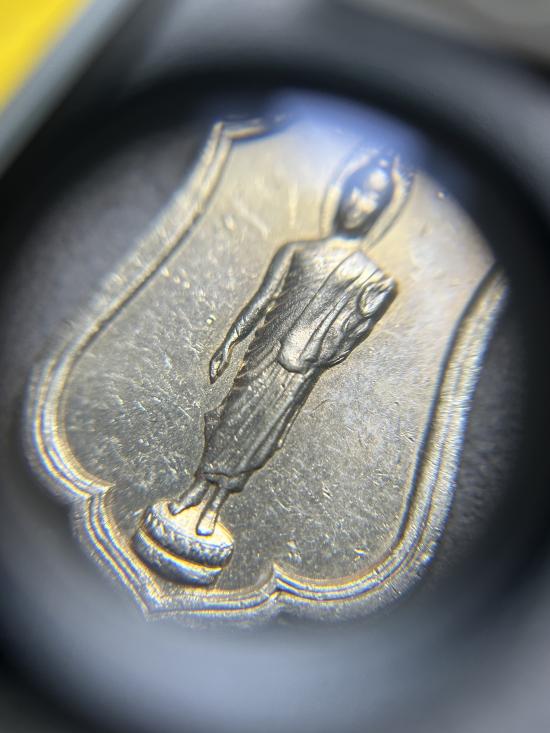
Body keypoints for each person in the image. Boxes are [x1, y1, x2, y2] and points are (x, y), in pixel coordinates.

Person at [168, 151, 400, 537]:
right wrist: (229, 343)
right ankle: (196, 488)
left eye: (372, 197)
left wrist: (364, 312)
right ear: (344, 192)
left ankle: (216, 503)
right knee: (228, 417)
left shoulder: (372, 278)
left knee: (262, 432)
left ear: (380, 209)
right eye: (357, 191)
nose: (359, 203)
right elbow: (262, 301)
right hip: (263, 352)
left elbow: (349, 334)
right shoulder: (298, 250)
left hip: (299, 368)